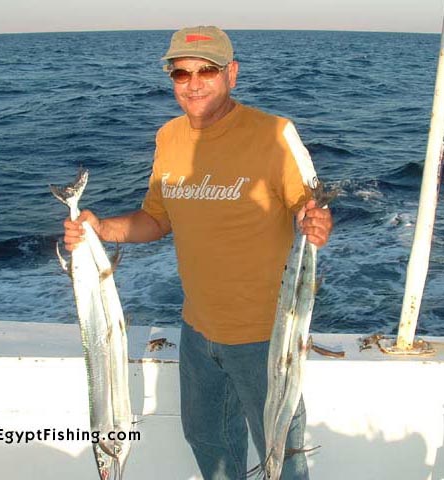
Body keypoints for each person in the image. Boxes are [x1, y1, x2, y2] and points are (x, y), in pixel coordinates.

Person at [64, 26, 333, 480]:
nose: (193, 82)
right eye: (180, 73)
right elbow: (157, 220)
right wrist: (100, 228)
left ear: (232, 73)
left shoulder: (274, 133)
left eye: (206, 70)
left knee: (281, 456)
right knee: (210, 447)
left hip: (265, 338)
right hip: (196, 330)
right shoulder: (168, 137)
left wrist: (317, 222)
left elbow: (309, 207)